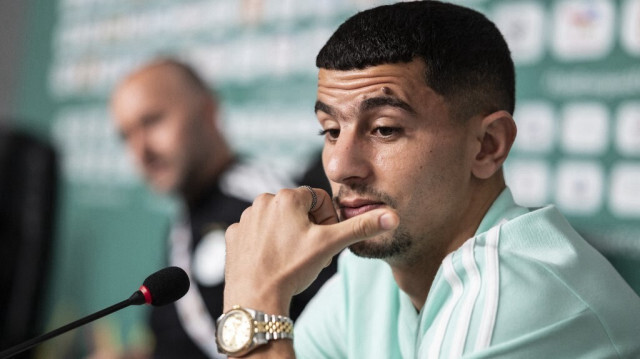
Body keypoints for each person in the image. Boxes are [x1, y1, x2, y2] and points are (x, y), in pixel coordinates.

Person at [218, 2, 640, 358]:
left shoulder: (522, 295)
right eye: (331, 131)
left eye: (384, 129)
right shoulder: (366, 278)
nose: (339, 167)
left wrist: (256, 303)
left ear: (487, 146)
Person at [110, 58, 335, 358]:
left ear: (207, 111)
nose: (141, 151)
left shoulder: (266, 201)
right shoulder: (180, 229)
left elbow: (332, 329)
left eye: (152, 121)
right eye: (126, 136)